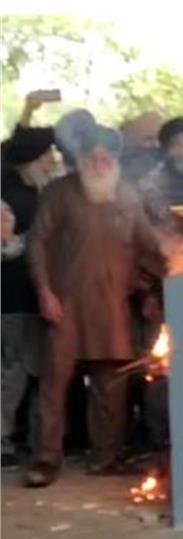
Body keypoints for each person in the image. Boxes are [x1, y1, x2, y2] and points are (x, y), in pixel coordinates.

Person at [24, 112, 166, 487]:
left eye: (105, 158)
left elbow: (149, 247)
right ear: (81, 159)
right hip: (64, 305)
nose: (99, 164)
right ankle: (46, 458)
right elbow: (37, 244)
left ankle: (106, 456)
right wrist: (45, 292)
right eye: (92, 157)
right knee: (53, 385)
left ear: (115, 161)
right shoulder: (59, 193)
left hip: (113, 307)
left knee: (111, 386)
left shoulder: (128, 197)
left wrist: (162, 281)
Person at [1, 101, 60, 467]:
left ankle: (30, 441)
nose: (53, 161)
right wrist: (31, 243)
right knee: (12, 374)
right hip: (12, 300)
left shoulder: (40, 193)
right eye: (47, 155)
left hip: (36, 299)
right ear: (32, 160)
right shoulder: (6, 196)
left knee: (32, 372)